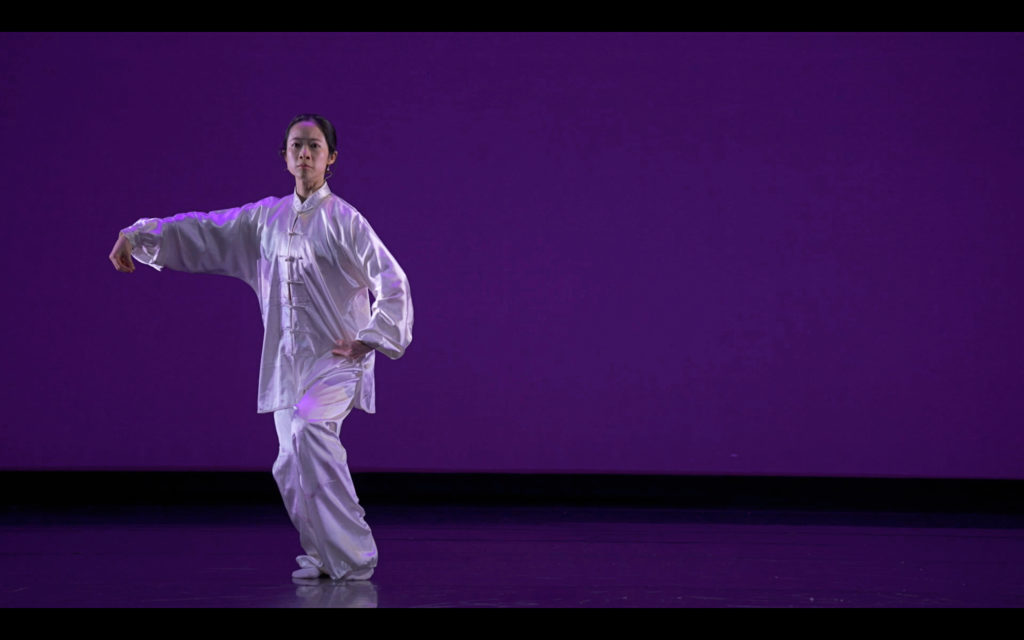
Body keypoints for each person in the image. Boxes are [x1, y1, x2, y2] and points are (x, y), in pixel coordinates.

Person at [109, 114, 413, 582]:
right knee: (289, 463)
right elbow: (208, 230)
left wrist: (370, 338)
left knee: (311, 431)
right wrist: (140, 235)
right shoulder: (265, 219)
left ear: (331, 158)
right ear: (286, 156)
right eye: (297, 146)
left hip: (336, 360)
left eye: (314, 146)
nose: (305, 154)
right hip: (286, 364)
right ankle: (325, 555)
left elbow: (391, 279)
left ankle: (355, 556)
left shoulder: (345, 220)